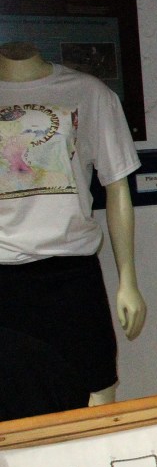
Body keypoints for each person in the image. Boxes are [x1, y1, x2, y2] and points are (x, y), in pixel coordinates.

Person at [0, 41, 146, 409]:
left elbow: (117, 187)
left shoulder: (89, 93)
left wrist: (128, 280)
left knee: (96, 393)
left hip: (70, 275)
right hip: (3, 277)